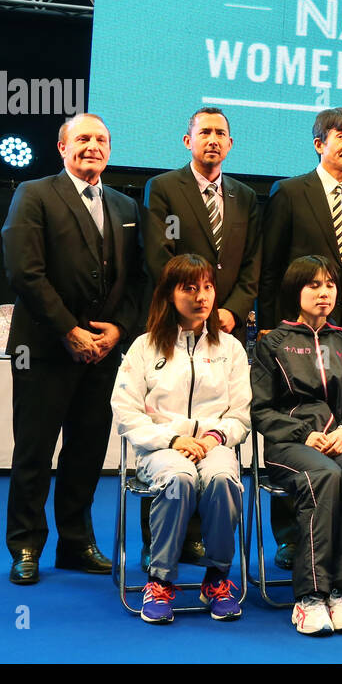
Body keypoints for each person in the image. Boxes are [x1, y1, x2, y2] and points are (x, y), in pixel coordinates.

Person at [1, 113, 145, 585]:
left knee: (85, 453)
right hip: (45, 351)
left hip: (103, 357)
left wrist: (117, 332)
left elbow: (138, 281)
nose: (93, 146)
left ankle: (76, 544)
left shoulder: (125, 205)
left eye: (101, 139)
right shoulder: (35, 194)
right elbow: (25, 271)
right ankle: (25, 545)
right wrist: (69, 330)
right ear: (61, 147)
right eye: (82, 138)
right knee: (35, 453)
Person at [257, 107, 342, 569]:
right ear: (319, 143)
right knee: (297, 428)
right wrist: (269, 324)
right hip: (292, 329)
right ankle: (293, 538)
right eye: (341, 136)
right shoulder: (289, 193)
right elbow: (271, 266)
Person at [141, 105, 262, 568]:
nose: (213, 139)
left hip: (225, 326)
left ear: (230, 144)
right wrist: (189, 304)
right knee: (169, 425)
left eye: (221, 133)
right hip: (176, 324)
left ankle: (203, 545)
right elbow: (159, 257)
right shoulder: (164, 188)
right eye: (204, 131)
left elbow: (252, 262)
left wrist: (230, 310)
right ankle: (162, 549)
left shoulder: (245, 196)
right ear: (187, 140)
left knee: (216, 426)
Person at [111, 255, 250, 623]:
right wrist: (172, 439)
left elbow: (240, 415)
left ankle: (217, 578)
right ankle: (160, 581)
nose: (201, 296)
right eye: (189, 288)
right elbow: (126, 412)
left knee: (223, 480)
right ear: (169, 294)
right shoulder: (144, 347)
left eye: (207, 287)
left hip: (213, 445)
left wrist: (213, 438)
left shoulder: (231, 349)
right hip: (161, 449)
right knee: (179, 480)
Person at [251, 255, 342, 634]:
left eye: (329, 285)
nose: (324, 293)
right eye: (314, 285)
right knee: (323, 476)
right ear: (296, 291)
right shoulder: (273, 343)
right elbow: (261, 410)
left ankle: (341, 589)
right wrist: (303, 433)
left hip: (339, 439)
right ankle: (309, 597)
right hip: (290, 443)